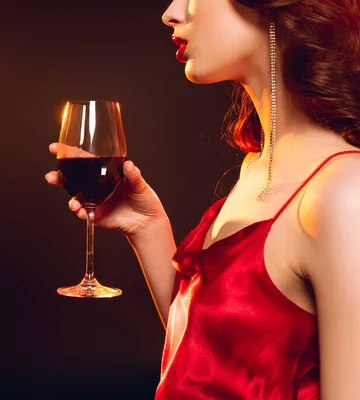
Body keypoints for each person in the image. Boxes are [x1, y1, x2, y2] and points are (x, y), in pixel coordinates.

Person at [46, 0, 360, 398]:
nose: (171, 12)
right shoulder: (256, 169)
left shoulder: (345, 193)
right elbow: (209, 361)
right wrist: (148, 228)